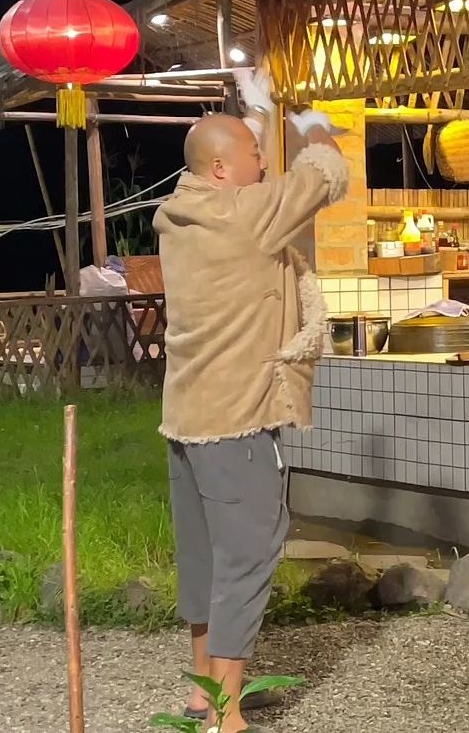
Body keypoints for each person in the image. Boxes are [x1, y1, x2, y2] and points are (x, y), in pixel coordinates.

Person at [155, 71, 349, 733]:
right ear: (220, 169)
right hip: (237, 420)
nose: (263, 163)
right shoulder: (245, 217)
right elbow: (325, 174)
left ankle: (203, 695)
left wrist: (257, 115)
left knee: (205, 560)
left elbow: (247, 173)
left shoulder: (182, 216)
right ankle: (228, 714)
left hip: (187, 417)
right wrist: (312, 122)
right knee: (248, 557)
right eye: (253, 154)